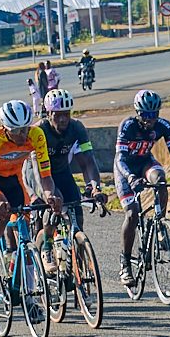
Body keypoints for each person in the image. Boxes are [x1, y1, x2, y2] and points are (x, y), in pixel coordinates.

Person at [0, 100, 60, 288]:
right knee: (4, 211)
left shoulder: (37, 135)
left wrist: (49, 195)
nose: (22, 135)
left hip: (14, 176)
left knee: (25, 221)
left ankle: (21, 276)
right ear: (5, 128)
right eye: (17, 131)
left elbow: (46, 175)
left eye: (25, 129)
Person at [114, 90, 170, 286]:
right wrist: (130, 177)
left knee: (160, 179)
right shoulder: (127, 126)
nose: (150, 120)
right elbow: (120, 158)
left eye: (154, 115)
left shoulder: (163, 126)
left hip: (145, 162)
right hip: (126, 168)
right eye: (146, 115)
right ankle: (126, 262)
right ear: (138, 113)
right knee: (132, 213)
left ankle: (160, 224)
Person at [35, 89, 105, 274]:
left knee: (77, 218)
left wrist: (95, 187)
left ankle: (78, 266)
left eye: (66, 114)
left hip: (61, 171)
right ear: (48, 114)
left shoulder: (77, 128)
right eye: (58, 115)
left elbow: (88, 160)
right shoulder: (39, 130)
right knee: (55, 201)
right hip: (39, 174)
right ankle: (47, 248)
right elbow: (33, 167)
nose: (63, 119)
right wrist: (46, 194)